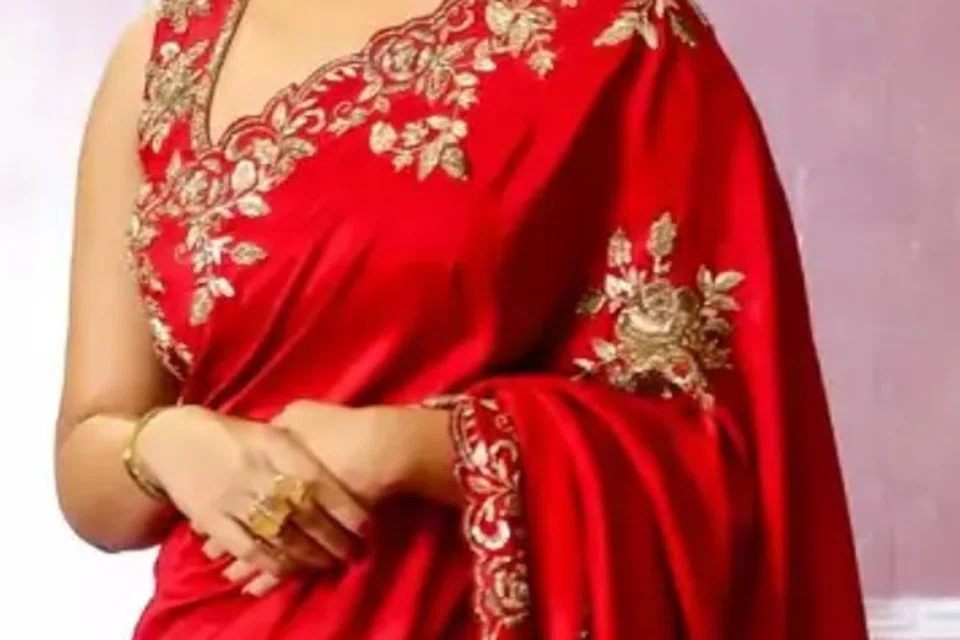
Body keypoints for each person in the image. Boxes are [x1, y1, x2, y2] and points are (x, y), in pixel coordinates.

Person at [54, 0, 870, 637]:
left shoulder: (616, 38)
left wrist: (410, 448)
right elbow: (88, 463)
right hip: (216, 620)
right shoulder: (166, 56)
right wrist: (165, 447)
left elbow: (724, 456)